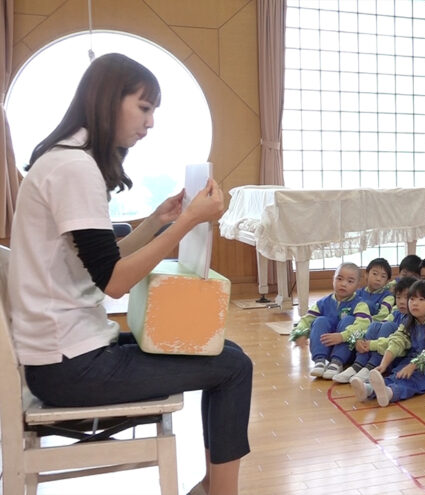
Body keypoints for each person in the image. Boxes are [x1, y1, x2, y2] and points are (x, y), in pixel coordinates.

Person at [9, 53, 251, 495]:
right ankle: (222, 491)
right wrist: (187, 222)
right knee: (233, 365)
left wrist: (158, 221)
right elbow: (116, 281)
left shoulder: (65, 160)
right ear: (107, 101)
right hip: (70, 368)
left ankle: (214, 488)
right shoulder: (75, 168)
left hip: (64, 356)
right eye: (144, 107)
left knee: (223, 350)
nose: (151, 122)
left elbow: (105, 262)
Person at [351, 280, 425, 406]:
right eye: (412, 299)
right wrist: (384, 364)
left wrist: (412, 366)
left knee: (414, 380)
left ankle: (390, 393)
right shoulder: (409, 323)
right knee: (397, 374)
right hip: (411, 361)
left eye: (421, 299)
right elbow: (397, 341)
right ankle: (369, 389)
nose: (414, 303)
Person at [290, 262, 372, 379]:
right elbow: (306, 320)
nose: (343, 284)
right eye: (339, 279)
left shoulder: (360, 304)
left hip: (348, 353)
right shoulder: (322, 302)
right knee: (320, 320)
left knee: (348, 320)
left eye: (350, 281)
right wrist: (300, 333)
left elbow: (363, 326)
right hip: (327, 349)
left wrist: (342, 336)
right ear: (333, 279)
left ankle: (337, 363)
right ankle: (320, 360)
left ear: (358, 285)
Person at [334, 276, 418, 384]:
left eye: (406, 298)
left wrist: (371, 344)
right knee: (375, 325)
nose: (401, 302)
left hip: (395, 357)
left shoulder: (413, 319)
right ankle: (358, 365)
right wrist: (360, 339)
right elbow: (378, 325)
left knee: (389, 326)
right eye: (398, 297)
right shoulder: (396, 312)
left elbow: (397, 342)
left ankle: (372, 367)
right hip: (382, 349)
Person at [356, 257, 393, 321]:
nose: (378, 279)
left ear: (387, 281)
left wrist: (366, 321)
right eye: (375, 274)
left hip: (373, 325)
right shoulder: (357, 293)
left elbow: (383, 315)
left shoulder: (388, 297)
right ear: (366, 275)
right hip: (355, 323)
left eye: (383, 276)